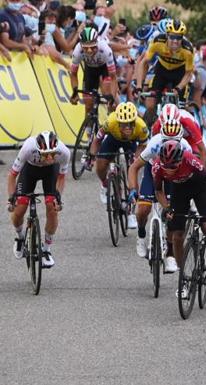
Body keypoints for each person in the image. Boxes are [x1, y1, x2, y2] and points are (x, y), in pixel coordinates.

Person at [152, 141, 206, 296]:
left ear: (180, 161)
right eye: (166, 167)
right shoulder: (157, 167)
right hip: (179, 191)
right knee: (177, 236)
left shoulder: (190, 160)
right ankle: (183, 278)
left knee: (205, 225)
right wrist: (167, 208)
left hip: (199, 188)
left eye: (173, 167)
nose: (169, 171)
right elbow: (158, 191)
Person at [127, 116, 192, 262]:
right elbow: (134, 167)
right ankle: (142, 234)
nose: (169, 144)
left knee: (173, 211)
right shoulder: (154, 144)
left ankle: (169, 252)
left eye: (174, 141)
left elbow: (192, 173)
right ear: (161, 137)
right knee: (143, 209)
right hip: (153, 172)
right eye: (165, 140)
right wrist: (133, 189)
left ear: (180, 139)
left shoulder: (186, 147)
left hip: (174, 173)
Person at [7, 132, 70, 268]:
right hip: (29, 170)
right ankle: (20, 237)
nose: (48, 158)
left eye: (51, 154)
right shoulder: (28, 148)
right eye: (44, 154)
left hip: (51, 172)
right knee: (20, 208)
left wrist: (58, 197)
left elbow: (61, 177)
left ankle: (46, 250)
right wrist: (12, 198)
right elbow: (12, 175)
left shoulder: (64, 152)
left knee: (52, 208)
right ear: (37, 150)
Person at [89, 102, 148, 232]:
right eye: (124, 124)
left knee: (132, 170)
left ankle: (131, 211)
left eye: (130, 124)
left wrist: (136, 159)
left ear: (135, 121)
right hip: (113, 139)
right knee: (100, 164)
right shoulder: (110, 122)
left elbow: (143, 146)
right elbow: (97, 140)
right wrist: (92, 156)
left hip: (131, 143)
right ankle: (105, 184)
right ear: (118, 122)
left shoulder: (141, 126)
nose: (127, 127)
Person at [135, 19, 195, 123]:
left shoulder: (188, 49)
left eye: (178, 37)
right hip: (161, 71)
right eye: (172, 36)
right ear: (167, 35)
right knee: (150, 105)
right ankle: (149, 128)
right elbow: (144, 63)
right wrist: (139, 86)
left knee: (182, 108)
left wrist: (178, 88)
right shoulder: (157, 41)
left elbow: (188, 73)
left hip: (180, 73)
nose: (175, 41)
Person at [69, 27, 118, 117]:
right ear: (81, 45)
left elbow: (113, 77)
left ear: (97, 42)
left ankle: (114, 112)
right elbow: (73, 74)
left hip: (104, 68)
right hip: (90, 69)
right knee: (88, 105)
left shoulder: (105, 49)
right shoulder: (77, 51)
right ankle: (89, 129)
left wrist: (113, 98)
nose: (89, 50)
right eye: (86, 48)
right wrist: (75, 92)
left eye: (92, 47)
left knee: (108, 93)